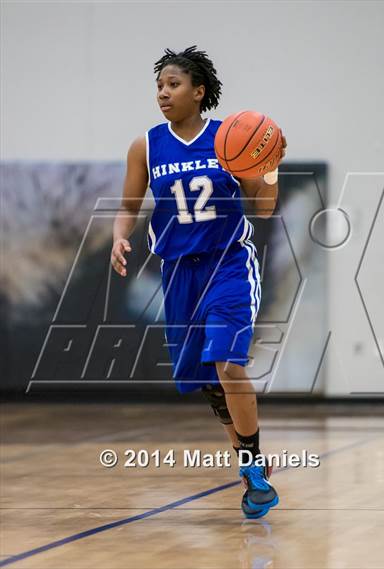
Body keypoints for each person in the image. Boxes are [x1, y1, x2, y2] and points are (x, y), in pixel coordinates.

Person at [111, 46, 287, 518]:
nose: (163, 93)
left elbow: (263, 208)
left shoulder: (231, 138)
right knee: (209, 380)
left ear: (199, 91)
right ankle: (251, 464)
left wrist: (268, 168)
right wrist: (119, 237)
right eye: (160, 86)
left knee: (229, 364)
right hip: (178, 272)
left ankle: (252, 470)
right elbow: (128, 206)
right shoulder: (146, 145)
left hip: (227, 263)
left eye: (173, 85)